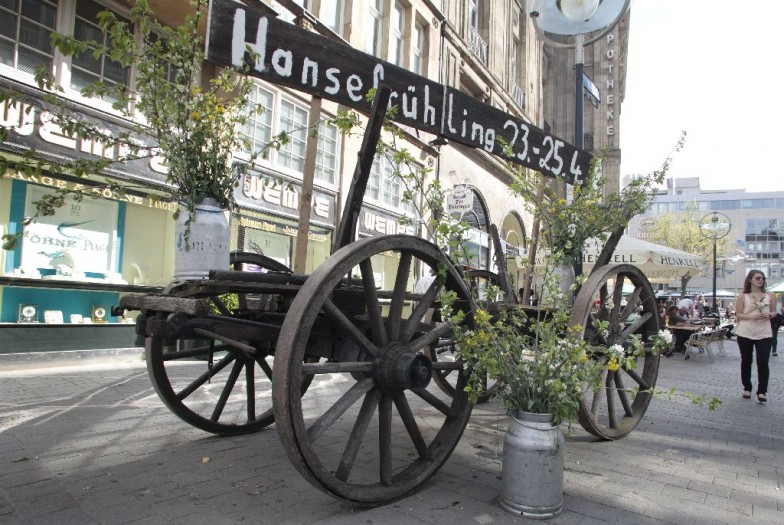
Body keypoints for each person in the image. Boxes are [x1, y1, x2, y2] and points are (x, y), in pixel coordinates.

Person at [734, 270, 775, 403]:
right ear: (750, 280)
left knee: (763, 362)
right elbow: (738, 314)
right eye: (758, 278)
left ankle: (762, 391)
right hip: (745, 332)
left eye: (762, 278)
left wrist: (769, 315)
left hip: (764, 332)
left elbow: (774, 312)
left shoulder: (770, 295)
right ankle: (747, 388)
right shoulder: (743, 296)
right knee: (746, 361)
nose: (761, 280)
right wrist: (751, 316)